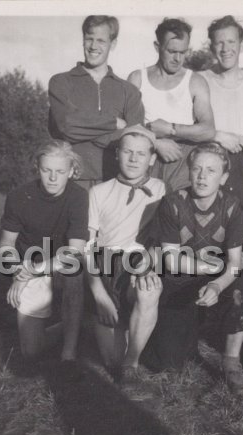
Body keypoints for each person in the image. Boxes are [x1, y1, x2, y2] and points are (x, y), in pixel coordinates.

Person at [141, 142, 243, 392]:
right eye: (197, 169)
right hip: (180, 277)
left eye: (211, 171)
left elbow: (235, 263)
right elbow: (172, 261)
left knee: (242, 289)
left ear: (224, 177)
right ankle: (189, 329)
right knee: (169, 363)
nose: (203, 176)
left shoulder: (232, 206)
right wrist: (212, 269)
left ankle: (231, 361)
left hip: (218, 277)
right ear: (189, 171)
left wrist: (216, 285)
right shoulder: (173, 203)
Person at [0, 140, 89, 376]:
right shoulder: (19, 196)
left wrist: (30, 272)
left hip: (60, 265)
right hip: (29, 264)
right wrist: (17, 270)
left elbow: (75, 252)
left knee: (74, 272)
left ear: (71, 171)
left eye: (60, 171)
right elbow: (6, 245)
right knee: (30, 352)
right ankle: (78, 322)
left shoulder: (79, 197)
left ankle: (68, 354)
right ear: (37, 167)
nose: (52, 177)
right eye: (46, 170)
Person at [87, 125, 165, 385]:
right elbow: (86, 247)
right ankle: (97, 323)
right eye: (128, 152)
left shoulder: (161, 190)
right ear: (117, 154)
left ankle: (132, 361)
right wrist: (99, 294)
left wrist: (149, 264)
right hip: (105, 266)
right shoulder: (98, 192)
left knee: (149, 290)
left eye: (141, 154)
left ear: (152, 159)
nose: (134, 159)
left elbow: (164, 238)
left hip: (137, 265)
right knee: (109, 360)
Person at [48, 16, 145, 189]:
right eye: (89, 39)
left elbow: (135, 139)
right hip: (70, 182)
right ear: (83, 40)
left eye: (101, 40)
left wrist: (87, 129)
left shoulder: (129, 91)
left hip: (115, 184)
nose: (93, 46)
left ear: (113, 44)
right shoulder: (61, 82)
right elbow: (67, 126)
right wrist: (114, 123)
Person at [127, 18, 216, 193]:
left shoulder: (195, 81)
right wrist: (156, 141)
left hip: (181, 165)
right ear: (157, 46)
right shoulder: (137, 78)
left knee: (177, 217)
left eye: (183, 52)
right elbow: (126, 125)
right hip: (143, 161)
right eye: (171, 51)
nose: (178, 58)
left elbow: (208, 130)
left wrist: (170, 129)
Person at [201, 16, 243, 240]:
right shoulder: (201, 80)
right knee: (206, 226)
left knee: (242, 229)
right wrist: (218, 136)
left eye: (231, 42)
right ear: (212, 47)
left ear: (242, 45)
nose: (226, 48)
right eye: (219, 43)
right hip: (209, 158)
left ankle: (241, 274)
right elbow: (195, 124)